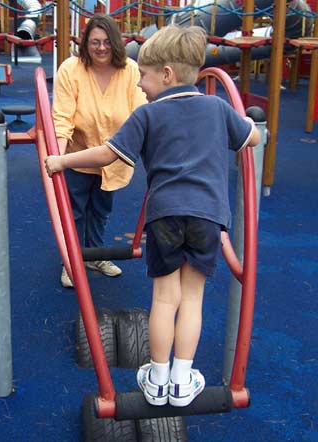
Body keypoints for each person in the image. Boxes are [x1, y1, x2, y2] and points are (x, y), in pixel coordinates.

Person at [45, 25, 260, 406]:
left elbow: (106, 154)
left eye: (143, 75)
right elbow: (252, 136)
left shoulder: (148, 115)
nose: (139, 84)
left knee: (164, 298)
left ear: (166, 75)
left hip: (164, 216)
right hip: (209, 216)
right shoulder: (216, 107)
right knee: (192, 299)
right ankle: (181, 381)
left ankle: (157, 378)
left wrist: (61, 160)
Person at [52, 14, 147, 288]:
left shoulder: (129, 70)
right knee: (75, 209)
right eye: (94, 42)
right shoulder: (71, 69)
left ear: (115, 43)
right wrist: (58, 159)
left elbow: (141, 111)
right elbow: (62, 118)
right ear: (85, 43)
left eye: (106, 42)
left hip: (113, 157)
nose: (101, 48)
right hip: (78, 154)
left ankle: (95, 254)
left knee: (101, 209)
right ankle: (72, 261)